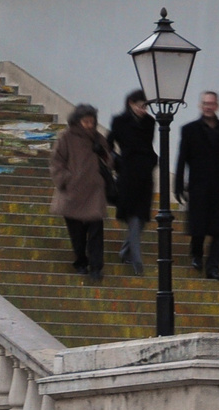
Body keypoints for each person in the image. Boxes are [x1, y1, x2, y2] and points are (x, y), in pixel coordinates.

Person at [174, 91, 219, 282]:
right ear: (201, 106)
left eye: (211, 103)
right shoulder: (189, 129)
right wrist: (178, 185)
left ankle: (213, 268)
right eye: (205, 103)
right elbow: (182, 159)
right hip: (199, 186)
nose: (208, 106)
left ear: (217, 106)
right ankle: (196, 256)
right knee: (198, 227)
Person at [49, 103, 112, 282]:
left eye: (92, 122)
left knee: (96, 233)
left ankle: (96, 267)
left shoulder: (97, 138)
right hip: (73, 194)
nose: (89, 125)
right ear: (77, 121)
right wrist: (67, 180)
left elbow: (110, 161)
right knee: (77, 234)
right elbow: (56, 162)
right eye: (86, 122)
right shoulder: (66, 138)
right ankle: (81, 262)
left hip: (94, 193)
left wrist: (104, 154)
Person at [108, 90, 156, 275]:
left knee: (141, 218)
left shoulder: (150, 122)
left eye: (145, 106)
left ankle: (126, 251)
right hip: (128, 175)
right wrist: (118, 161)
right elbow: (109, 144)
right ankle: (137, 260)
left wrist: (152, 161)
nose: (143, 110)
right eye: (140, 105)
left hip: (144, 174)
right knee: (135, 218)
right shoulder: (120, 121)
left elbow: (147, 145)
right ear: (131, 103)